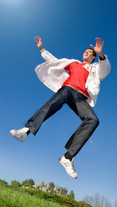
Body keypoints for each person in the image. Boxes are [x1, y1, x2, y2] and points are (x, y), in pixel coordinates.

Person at [10, 36, 111, 179]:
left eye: (90, 52)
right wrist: (42, 49)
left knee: (93, 120)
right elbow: (54, 61)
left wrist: (100, 54)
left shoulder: (95, 69)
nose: (86, 53)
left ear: (94, 56)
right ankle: (25, 131)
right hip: (67, 89)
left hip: (80, 98)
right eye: (85, 51)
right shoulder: (74, 63)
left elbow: (105, 69)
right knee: (52, 103)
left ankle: (68, 157)